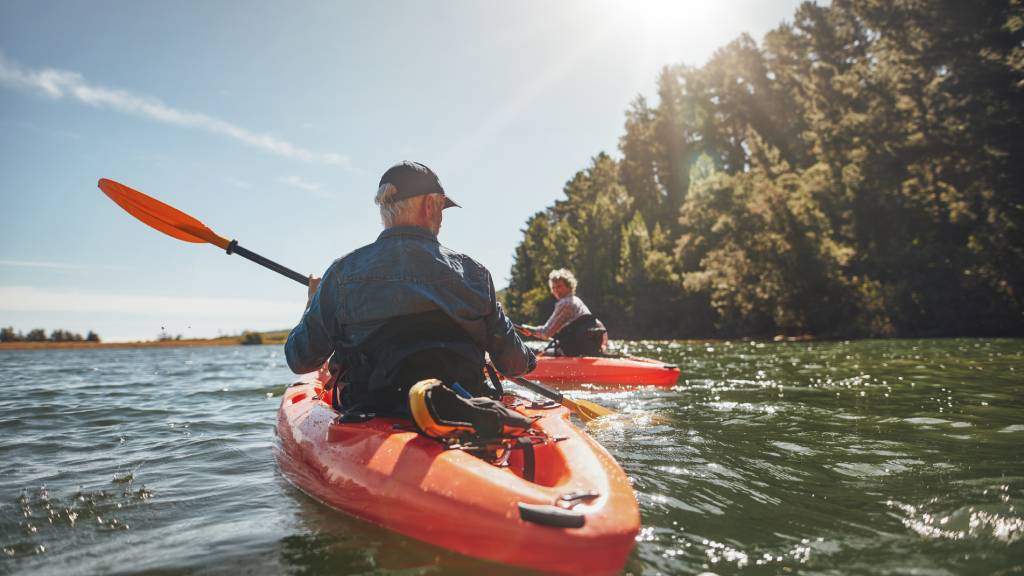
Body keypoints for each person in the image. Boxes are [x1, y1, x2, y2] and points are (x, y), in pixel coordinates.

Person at [285, 161, 536, 433]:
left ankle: (424, 401)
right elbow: (515, 364)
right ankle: (441, 401)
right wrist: (528, 355)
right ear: (430, 205)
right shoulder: (474, 273)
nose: (441, 217)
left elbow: (301, 359)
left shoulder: (341, 273)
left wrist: (312, 302)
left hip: (373, 410)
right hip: (466, 401)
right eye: (442, 208)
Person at [518, 269, 608, 356]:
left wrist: (528, 329)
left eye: (559, 286)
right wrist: (603, 346)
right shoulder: (577, 301)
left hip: (571, 351)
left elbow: (546, 333)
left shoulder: (565, 303)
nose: (556, 290)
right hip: (584, 349)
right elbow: (599, 325)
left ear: (569, 286)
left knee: (524, 349)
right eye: (553, 288)